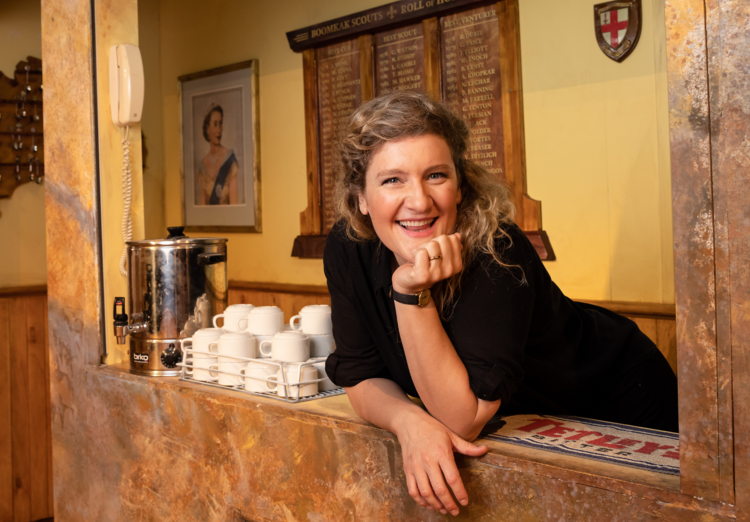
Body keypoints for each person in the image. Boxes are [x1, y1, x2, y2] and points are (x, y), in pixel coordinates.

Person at [323, 91, 678, 517]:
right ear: (360, 197)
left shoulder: (497, 249)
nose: (419, 201)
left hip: (615, 397)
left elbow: (462, 417)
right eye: (392, 180)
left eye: (436, 175)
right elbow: (360, 377)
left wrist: (409, 292)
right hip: (530, 421)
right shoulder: (350, 248)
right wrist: (408, 422)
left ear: (460, 185)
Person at [197, 105, 239, 205]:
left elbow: (234, 209)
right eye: (215, 124)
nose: (219, 130)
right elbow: (202, 209)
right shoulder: (202, 165)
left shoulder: (230, 161)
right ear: (207, 129)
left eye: (220, 124)